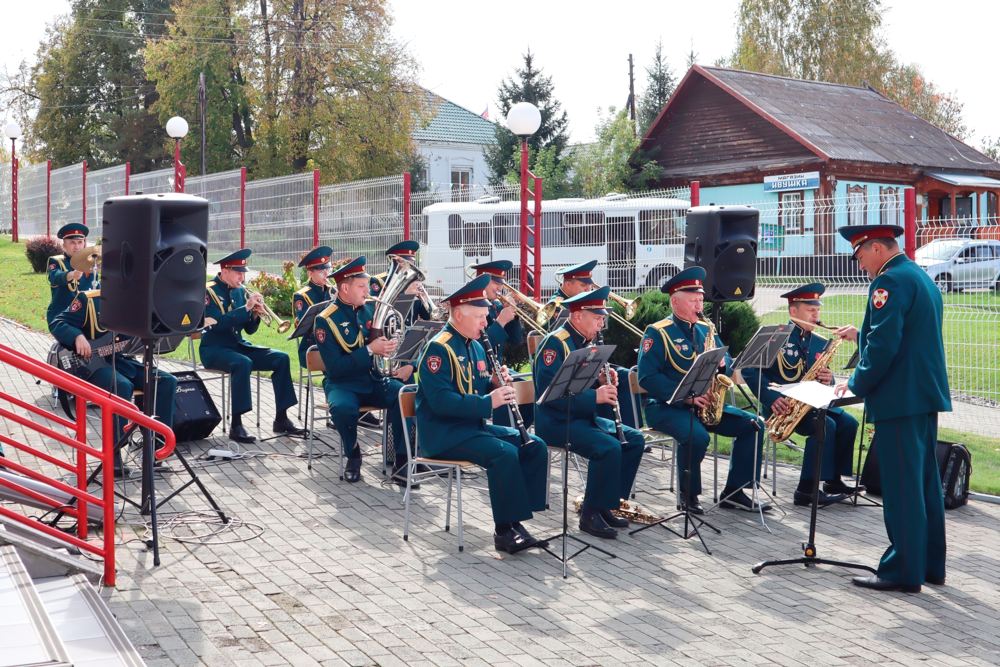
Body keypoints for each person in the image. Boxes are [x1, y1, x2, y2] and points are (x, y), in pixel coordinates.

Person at [834, 224, 950, 593]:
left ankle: (902, 569)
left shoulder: (889, 282)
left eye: (860, 255)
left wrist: (854, 384)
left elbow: (885, 345)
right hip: (921, 396)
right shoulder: (918, 276)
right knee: (924, 483)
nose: (860, 264)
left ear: (876, 248)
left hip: (900, 398)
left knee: (901, 487)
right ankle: (928, 564)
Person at [416, 275, 548, 554]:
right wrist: (489, 402)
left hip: (469, 428)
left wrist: (496, 383)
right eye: (480, 317)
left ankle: (518, 517)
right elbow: (442, 402)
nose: (486, 323)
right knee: (504, 453)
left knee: (534, 446)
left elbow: (477, 383)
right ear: (460, 313)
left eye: (486, 316)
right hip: (444, 434)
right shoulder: (438, 349)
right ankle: (505, 530)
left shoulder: (474, 344)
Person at [637, 266, 767, 514]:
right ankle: (689, 495)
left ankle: (734, 491)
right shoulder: (658, 332)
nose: (700, 305)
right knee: (697, 437)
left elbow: (727, 364)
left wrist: (722, 365)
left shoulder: (706, 329)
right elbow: (647, 377)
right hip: (666, 407)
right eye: (694, 300)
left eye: (700, 299)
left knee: (754, 425)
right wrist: (686, 397)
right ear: (675, 301)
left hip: (705, 404)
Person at [533, 286, 645, 539]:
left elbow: (580, 382)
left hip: (582, 417)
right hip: (556, 421)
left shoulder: (587, 342)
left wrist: (603, 378)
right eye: (597, 318)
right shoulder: (556, 344)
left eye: (602, 317)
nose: (601, 323)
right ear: (577, 316)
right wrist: (596, 395)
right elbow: (551, 396)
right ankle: (590, 514)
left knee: (634, 440)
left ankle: (607, 503)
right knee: (608, 447)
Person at [742, 283, 859, 507]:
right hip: (783, 407)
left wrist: (829, 378)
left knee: (849, 423)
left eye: (817, 310)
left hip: (811, 403)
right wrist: (771, 398)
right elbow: (749, 370)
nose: (816, 315)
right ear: (793, 311)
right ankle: (806, 490)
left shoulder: (820, 342)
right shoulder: (775, 336)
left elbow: (823, 376)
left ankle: (833, 481)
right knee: (825, 426)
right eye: (810, 310)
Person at [50, 289, 177, 474]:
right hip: (90, 364)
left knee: (166, 381)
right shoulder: (90, 299)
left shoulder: (138, 299)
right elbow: (57, 323)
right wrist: (77, 336)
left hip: (119, 359)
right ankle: (114, 454)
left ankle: (156, 448)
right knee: (122, 386)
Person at [314, 256, 413, 484]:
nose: (367, 291)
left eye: (367, 285)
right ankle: (354, 454)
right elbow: (336, 369)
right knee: (341, 409)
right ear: (345, 288)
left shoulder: (372, 308)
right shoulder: (325, 320)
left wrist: (390, 348)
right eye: (362, 286)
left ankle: (401, 460)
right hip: (343, 384)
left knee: (405, 395)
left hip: (375, 381)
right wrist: (370, 349)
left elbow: (388, 339)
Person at [200, 249, 306, 444]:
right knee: (243, 363)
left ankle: (281, 418)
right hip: (214, 349)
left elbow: (248, 330)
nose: (243, 277)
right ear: (225, 270)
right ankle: (237, 425)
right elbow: (217, 324)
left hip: (238, 345)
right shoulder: (208, 291)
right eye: (238, 272)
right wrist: (246, 308)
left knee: (281, 358)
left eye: (244, 272)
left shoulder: (240, 292)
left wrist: (256, 314)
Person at [545, 260, 640, 428]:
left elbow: (592, 336)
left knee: (623, 376)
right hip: (568, 361)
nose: (588, 289)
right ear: (567, 283)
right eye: (583, 285)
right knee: (598, 383)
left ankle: (628, 428)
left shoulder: (589, 301)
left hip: (588, 355)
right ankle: (606, 427)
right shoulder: (555, 304)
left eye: (588, 285)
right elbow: (561, 335)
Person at [470, 259, 531, 428]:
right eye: (495, 282)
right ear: (482, 280)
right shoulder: (471, 306)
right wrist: (500, 322)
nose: (500, 287)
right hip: (480, 372)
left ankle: (520, 431)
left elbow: (516, 340)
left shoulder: (496, 306)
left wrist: (513, 316)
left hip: (497, 370)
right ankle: (506, 432)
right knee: (507, 387)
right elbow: (477, 347)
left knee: (530, 386)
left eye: (501, 282)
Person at [46, 223, 97, 330]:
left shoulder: (90, 262)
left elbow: (96, 287)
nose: (77, 247)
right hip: (62, 317)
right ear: (64, 245)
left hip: (86, 316)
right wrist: (71, 275)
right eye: (72, 243)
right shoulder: (57, 261)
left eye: (80, 242)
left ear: (84, 244)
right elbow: (55, 276)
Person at [292, 245, 335, 367]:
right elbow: (303, 324)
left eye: (328, 269)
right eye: (322, 271)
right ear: (310, 273)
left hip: (334, 341)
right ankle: (330, 384)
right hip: (313, 345)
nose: (326, 274)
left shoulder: (332, 291)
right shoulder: (302, 296)